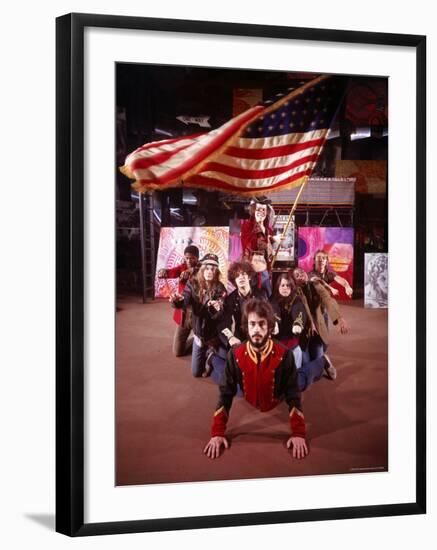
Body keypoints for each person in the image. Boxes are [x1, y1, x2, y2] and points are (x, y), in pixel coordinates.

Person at [203, 299, 335, 460]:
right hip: (247, 392)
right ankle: (213, 359)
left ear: (270, 328)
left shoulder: (285, 354)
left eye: (262, 324)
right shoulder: (235, 354)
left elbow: (293, 394)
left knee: (301, 382)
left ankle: (322, 362)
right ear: (246, 327)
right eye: (252, 324)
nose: (256, 329)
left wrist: (298, 433)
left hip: (279, 394)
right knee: (228, 384)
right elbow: (225, 393)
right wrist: (217, 432)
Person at [207, 261, 267, 383]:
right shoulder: (230, 299)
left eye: (244, 274)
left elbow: (268, 317)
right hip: (239, 340)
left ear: (249, 277)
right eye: (237, 276)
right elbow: (223, 323)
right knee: (232, 381)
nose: (241, 278)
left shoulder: (261, 295)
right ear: (234, 279)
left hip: (258, 338)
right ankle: (213, 358)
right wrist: (230, 338)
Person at [171, 253, 227, 377]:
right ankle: (203, 348)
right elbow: (184, 300)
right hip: (198, 335)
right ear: (202, 269)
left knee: (227, 356)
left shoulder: (220, 287)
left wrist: (217, 307)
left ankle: (211, 354)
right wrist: (178, 301)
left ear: (216, 271)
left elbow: (221, 312)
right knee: (196, 373)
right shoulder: (192, 284)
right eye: (206, 267)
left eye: (213, 268)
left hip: (213, 336)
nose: (209, 271)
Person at [292, 267, 348, 376]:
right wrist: (310, 322)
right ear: (295, 280)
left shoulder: (315, 283)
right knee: (306, 364)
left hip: (317, 329)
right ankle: (322, 359)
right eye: (296, 275)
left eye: (301, 272)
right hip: (304, 332)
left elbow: (327, 298)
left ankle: (323, 360)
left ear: (305, 272)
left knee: (317, 370)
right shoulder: (295, 291)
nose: (300, 275)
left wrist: (338, 318)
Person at [157, 245, 199, 356]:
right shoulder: (182, 267)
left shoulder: (203, 269)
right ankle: (195, 341)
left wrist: (191, 271)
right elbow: (172, 272)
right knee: (177, 352)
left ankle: (200, 341)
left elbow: (202, 269)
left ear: (197, 258)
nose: (189, 260)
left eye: (192, 258)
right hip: (184, 314)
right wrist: (163, 272)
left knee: (206, 346)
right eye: (187, 258)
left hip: (198, 315)